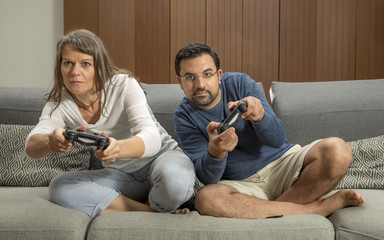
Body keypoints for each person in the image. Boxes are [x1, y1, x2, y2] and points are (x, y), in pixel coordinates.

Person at [173, 43, 365, 219]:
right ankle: (315, 209)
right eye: (190, 77)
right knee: (206, 198)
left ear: (219, 75)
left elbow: (277, 139)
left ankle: (272, 211)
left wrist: (261, 117)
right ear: (179, 82)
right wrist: (216, 152)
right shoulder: (183, 116)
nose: (200, 84)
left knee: (338, 150)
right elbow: (208, 178)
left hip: (283, 165)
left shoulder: (240, 83)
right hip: (241, 185)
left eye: (207, 74)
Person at [25, 29, 195, 218]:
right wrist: (50, 141)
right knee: (60, 186)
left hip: (162, 159)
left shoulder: (123, 84)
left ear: (99, 67)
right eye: (68, 63)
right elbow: (31, 146)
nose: (75, 72)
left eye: (85, 64)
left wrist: (118, 148)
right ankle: (151, 210)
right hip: (123, 177)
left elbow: (152, 138)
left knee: (175, 182)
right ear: (60, 68)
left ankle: (150, 200)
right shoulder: (59, 103)